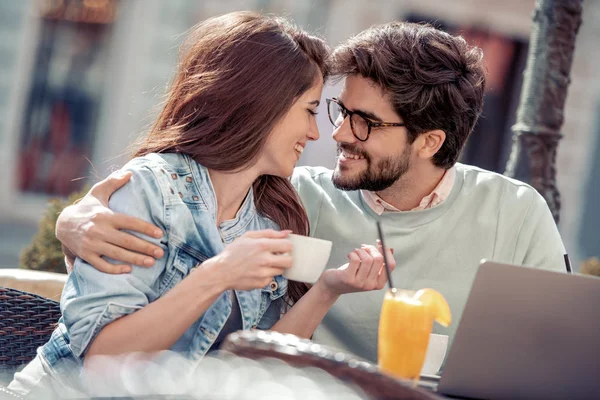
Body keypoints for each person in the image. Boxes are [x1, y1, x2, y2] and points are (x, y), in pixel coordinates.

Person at [55, 21, 566, 365]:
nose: (338, 134)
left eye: (365, 123)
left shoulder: (516, 211)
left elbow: (558, 352)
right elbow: (180, 197)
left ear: (429, 141)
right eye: (339, 112)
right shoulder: (290, 199)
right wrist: (75, 220)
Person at [9, 12, 396, 399]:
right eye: (310, 110)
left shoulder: (266, 214)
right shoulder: (150, 188)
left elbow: (251, 369)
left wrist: (328, 288)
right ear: (265, 103)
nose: (314, 134)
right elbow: (100, 363)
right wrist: (219, 274)